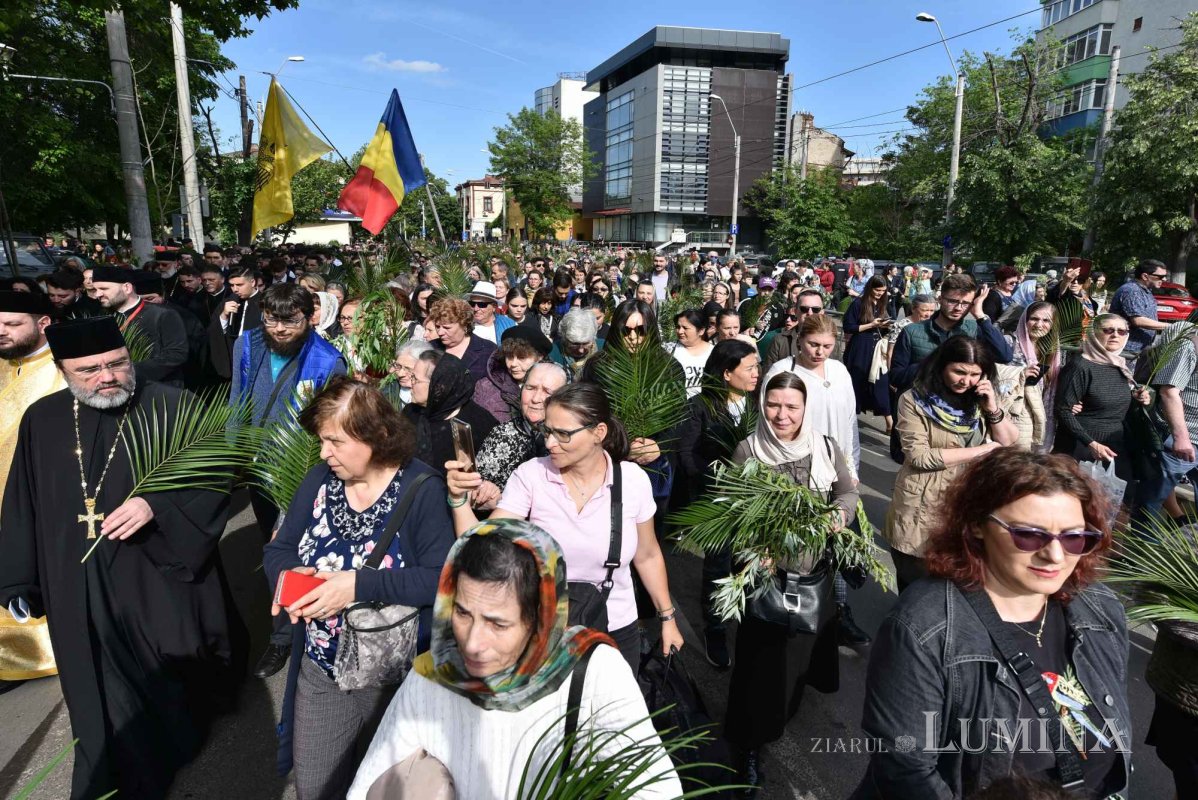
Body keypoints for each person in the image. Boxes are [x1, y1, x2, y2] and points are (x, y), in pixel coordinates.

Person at [0, 316, 238, 799]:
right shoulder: (43, 420)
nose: (106, 377)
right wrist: (17, 580)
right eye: (89, 370)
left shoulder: (172, 405)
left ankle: (173, 743)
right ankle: (107, 762)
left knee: (167, 670)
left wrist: (157, 505)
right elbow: (23, 502)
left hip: (154, 573)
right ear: (63, 371)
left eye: (116, 364)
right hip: (74, 575)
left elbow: (217, 476)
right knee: (93, 675)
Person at [855, 449, 1129, 799]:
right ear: (976, 526)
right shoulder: (925, 626)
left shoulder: (1099, 608)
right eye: (1029, 535)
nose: (1056, 556)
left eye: (1075, 538)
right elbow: (905, 767)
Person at [347, 519, 681, 799]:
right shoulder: (433, 674)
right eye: (462, 613)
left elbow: (655, 790)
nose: (473, 643)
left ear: (540, 619)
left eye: (498, 623)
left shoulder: (594, 673)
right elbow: (372, 781)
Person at [263, 377, 455, 800]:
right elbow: (278, 549)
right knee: (315, 787)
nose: (322, 452)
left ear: (377, 436)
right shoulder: (319, 480)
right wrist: (294, 583)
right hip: (321, 668)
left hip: (391, 678)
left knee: (382, 789)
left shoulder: (421, 489)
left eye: (334, 441)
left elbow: (442, 577)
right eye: (321, 441)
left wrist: (356, 585)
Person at [444, 383, 684, 670]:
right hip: (545, 628)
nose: (550, 443)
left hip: (616, 627)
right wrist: (458, 500)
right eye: (547, 431)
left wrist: (667, 618)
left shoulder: (632, 481)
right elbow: (481, 543)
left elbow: (647, 555)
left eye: (563, 434)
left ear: (599, 433)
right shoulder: (532, 476)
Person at [724, 372, 860, 793]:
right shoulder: (748, 449)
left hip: (812, 575)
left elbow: (847, 493)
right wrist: (753, 549)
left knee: (797, 659)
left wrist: (839, 515)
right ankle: (748, 746)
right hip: (767, 578)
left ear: (806, 409)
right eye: (773, 405)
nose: (781, 415)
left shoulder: (824, 447)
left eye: (791, 407)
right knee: (758, 667)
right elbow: (731, 509)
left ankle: (781, 717)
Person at [231, 284, 348, 679]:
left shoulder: (328, 360)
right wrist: (235, 455)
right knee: (274, 550)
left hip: (301, 470)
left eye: (290, 321)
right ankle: (284, 631)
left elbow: (331, 422)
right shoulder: (248, 345)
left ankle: (290, 636)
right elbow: (237, 400)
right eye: (271, 320)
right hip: (259, 468)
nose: (279, 329)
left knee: (298, 550)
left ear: (309, 317)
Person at [887, 336, 1019, 591]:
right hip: (924, 499)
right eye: (959, 371)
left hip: (967, 500)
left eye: (974, 374)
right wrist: (980, 451)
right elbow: (919, 456)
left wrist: (992, 407)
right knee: (916, 581)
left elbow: (1008, 440)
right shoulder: (914, 399)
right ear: (941, 365)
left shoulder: (977, 398)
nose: (965, 381)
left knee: (955, 581)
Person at [676, 339, 760, 668]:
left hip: (753, 501)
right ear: (727, 373)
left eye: (757, 366)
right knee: (717, 567)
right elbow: (688, 455)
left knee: (750, 565)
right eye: (750, 368)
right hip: (718, 503)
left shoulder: (758, 404)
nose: (756, 373)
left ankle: (748, 623)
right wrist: (715, 480)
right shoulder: (700, 406)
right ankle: (715, 630)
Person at [0, 291, 63, 687]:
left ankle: (46, 651)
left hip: (40, 500)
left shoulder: (63, 371)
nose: (1, 333)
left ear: (43, 324)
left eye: (11, 324)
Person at [1052, 313, 1151, 489]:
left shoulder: (1119, 365)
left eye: (1121, 331)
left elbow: (1111, 402)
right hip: (1081, 447)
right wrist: (1090, 443)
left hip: (1114, 445)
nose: (1115, 335)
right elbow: (1063, 410)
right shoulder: (1080, 366)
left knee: (1115, 504)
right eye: (1108, 330)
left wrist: (1136, 398)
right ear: (1094, 333)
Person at [890, 274, 1013, 395]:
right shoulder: (912, 331)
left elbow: (1004, 356)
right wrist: (934, 361)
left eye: (965, 303)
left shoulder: (974, 330)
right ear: (940, 299)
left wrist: (981, 317)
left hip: (961, 407)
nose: (958, 308)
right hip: (921, 406)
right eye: (953, 301)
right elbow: (896, 377)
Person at [472, 361, 570, 509]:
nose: (536, 399)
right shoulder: (502, 436)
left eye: (548, 392)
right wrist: (494, 497)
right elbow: (474, 495)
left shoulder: (574, 439)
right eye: (530, 388)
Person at [402, 350, 497, 477]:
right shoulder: (410, 413)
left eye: (415, 379)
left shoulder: (478, 424)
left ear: (439, 387)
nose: (410, 383)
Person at [90, 264, 188, 386]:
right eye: (95, 290)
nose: (97, 295)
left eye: (104, 289)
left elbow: (176, 355)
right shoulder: (101, 317)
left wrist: (129, 370)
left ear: (127, 288)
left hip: (158, 388)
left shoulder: (162, 314)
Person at [996, 302, 1060, 452]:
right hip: (1013, 414)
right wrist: (1019, 375)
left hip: (1039, 415)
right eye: (1034, 319)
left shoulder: (1054, 352)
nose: (1039, 324)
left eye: (1046, 321)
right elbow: (994, 380)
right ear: (1024, 320)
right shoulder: (1008, 343)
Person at [842, 275, 894, 426]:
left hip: (877, 348)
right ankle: (850, 417)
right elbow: (848, 327)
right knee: (857, 382)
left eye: (883, 290)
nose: (880, 293)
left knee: (881, 382)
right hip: (860, 347)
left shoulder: (883, 303)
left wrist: (885, 326)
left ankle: (889, 420)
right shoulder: (858, 303)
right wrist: (872, 325)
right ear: (870, 287)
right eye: (877, 290)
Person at [473, 325, 552, 423]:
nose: (513, 364)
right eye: (509, 357)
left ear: (539, 357)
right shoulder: (485, 387)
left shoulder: (554, 384)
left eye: (521, 357)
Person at [1109, 259, 1170, 366]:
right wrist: (1173, 326)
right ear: (1145, 276)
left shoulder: (1145, 290)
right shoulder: (1132, 290)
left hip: (1138, 350)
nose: (1164, 279)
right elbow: (1138, 320)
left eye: (1165, 276)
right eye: (1160, 277)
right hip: (1127, 350)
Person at [211, 266, 264, 379]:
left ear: (253, 282)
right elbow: (214, 332)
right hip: (233, 357)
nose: (235, 289)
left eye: (239, 285)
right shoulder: (228, 302)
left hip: (256, 357)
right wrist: (224, 315)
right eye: (232, 285)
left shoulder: (265, 302)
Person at [428, 297, 496, 383]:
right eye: (437, 327)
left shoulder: (488, 350)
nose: (440, 332)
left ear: (464, 325)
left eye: (447, 328)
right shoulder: (430, 347)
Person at [670, 309, 714, 398]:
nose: (680, 331)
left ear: (701, 331)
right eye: (678, 327)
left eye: (685, 328)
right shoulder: (668, 349)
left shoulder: (714, 352)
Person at [549, 308, 602, 379]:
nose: (581, 350)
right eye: (575, 344)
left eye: (586, 343)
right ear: (564, 338)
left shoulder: (604, 348)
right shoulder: (553, 353)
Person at [389, 339, 435, 406]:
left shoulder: (435, 398)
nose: (400, 374)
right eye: (398, 366)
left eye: (408, 369)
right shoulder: (388, 391)